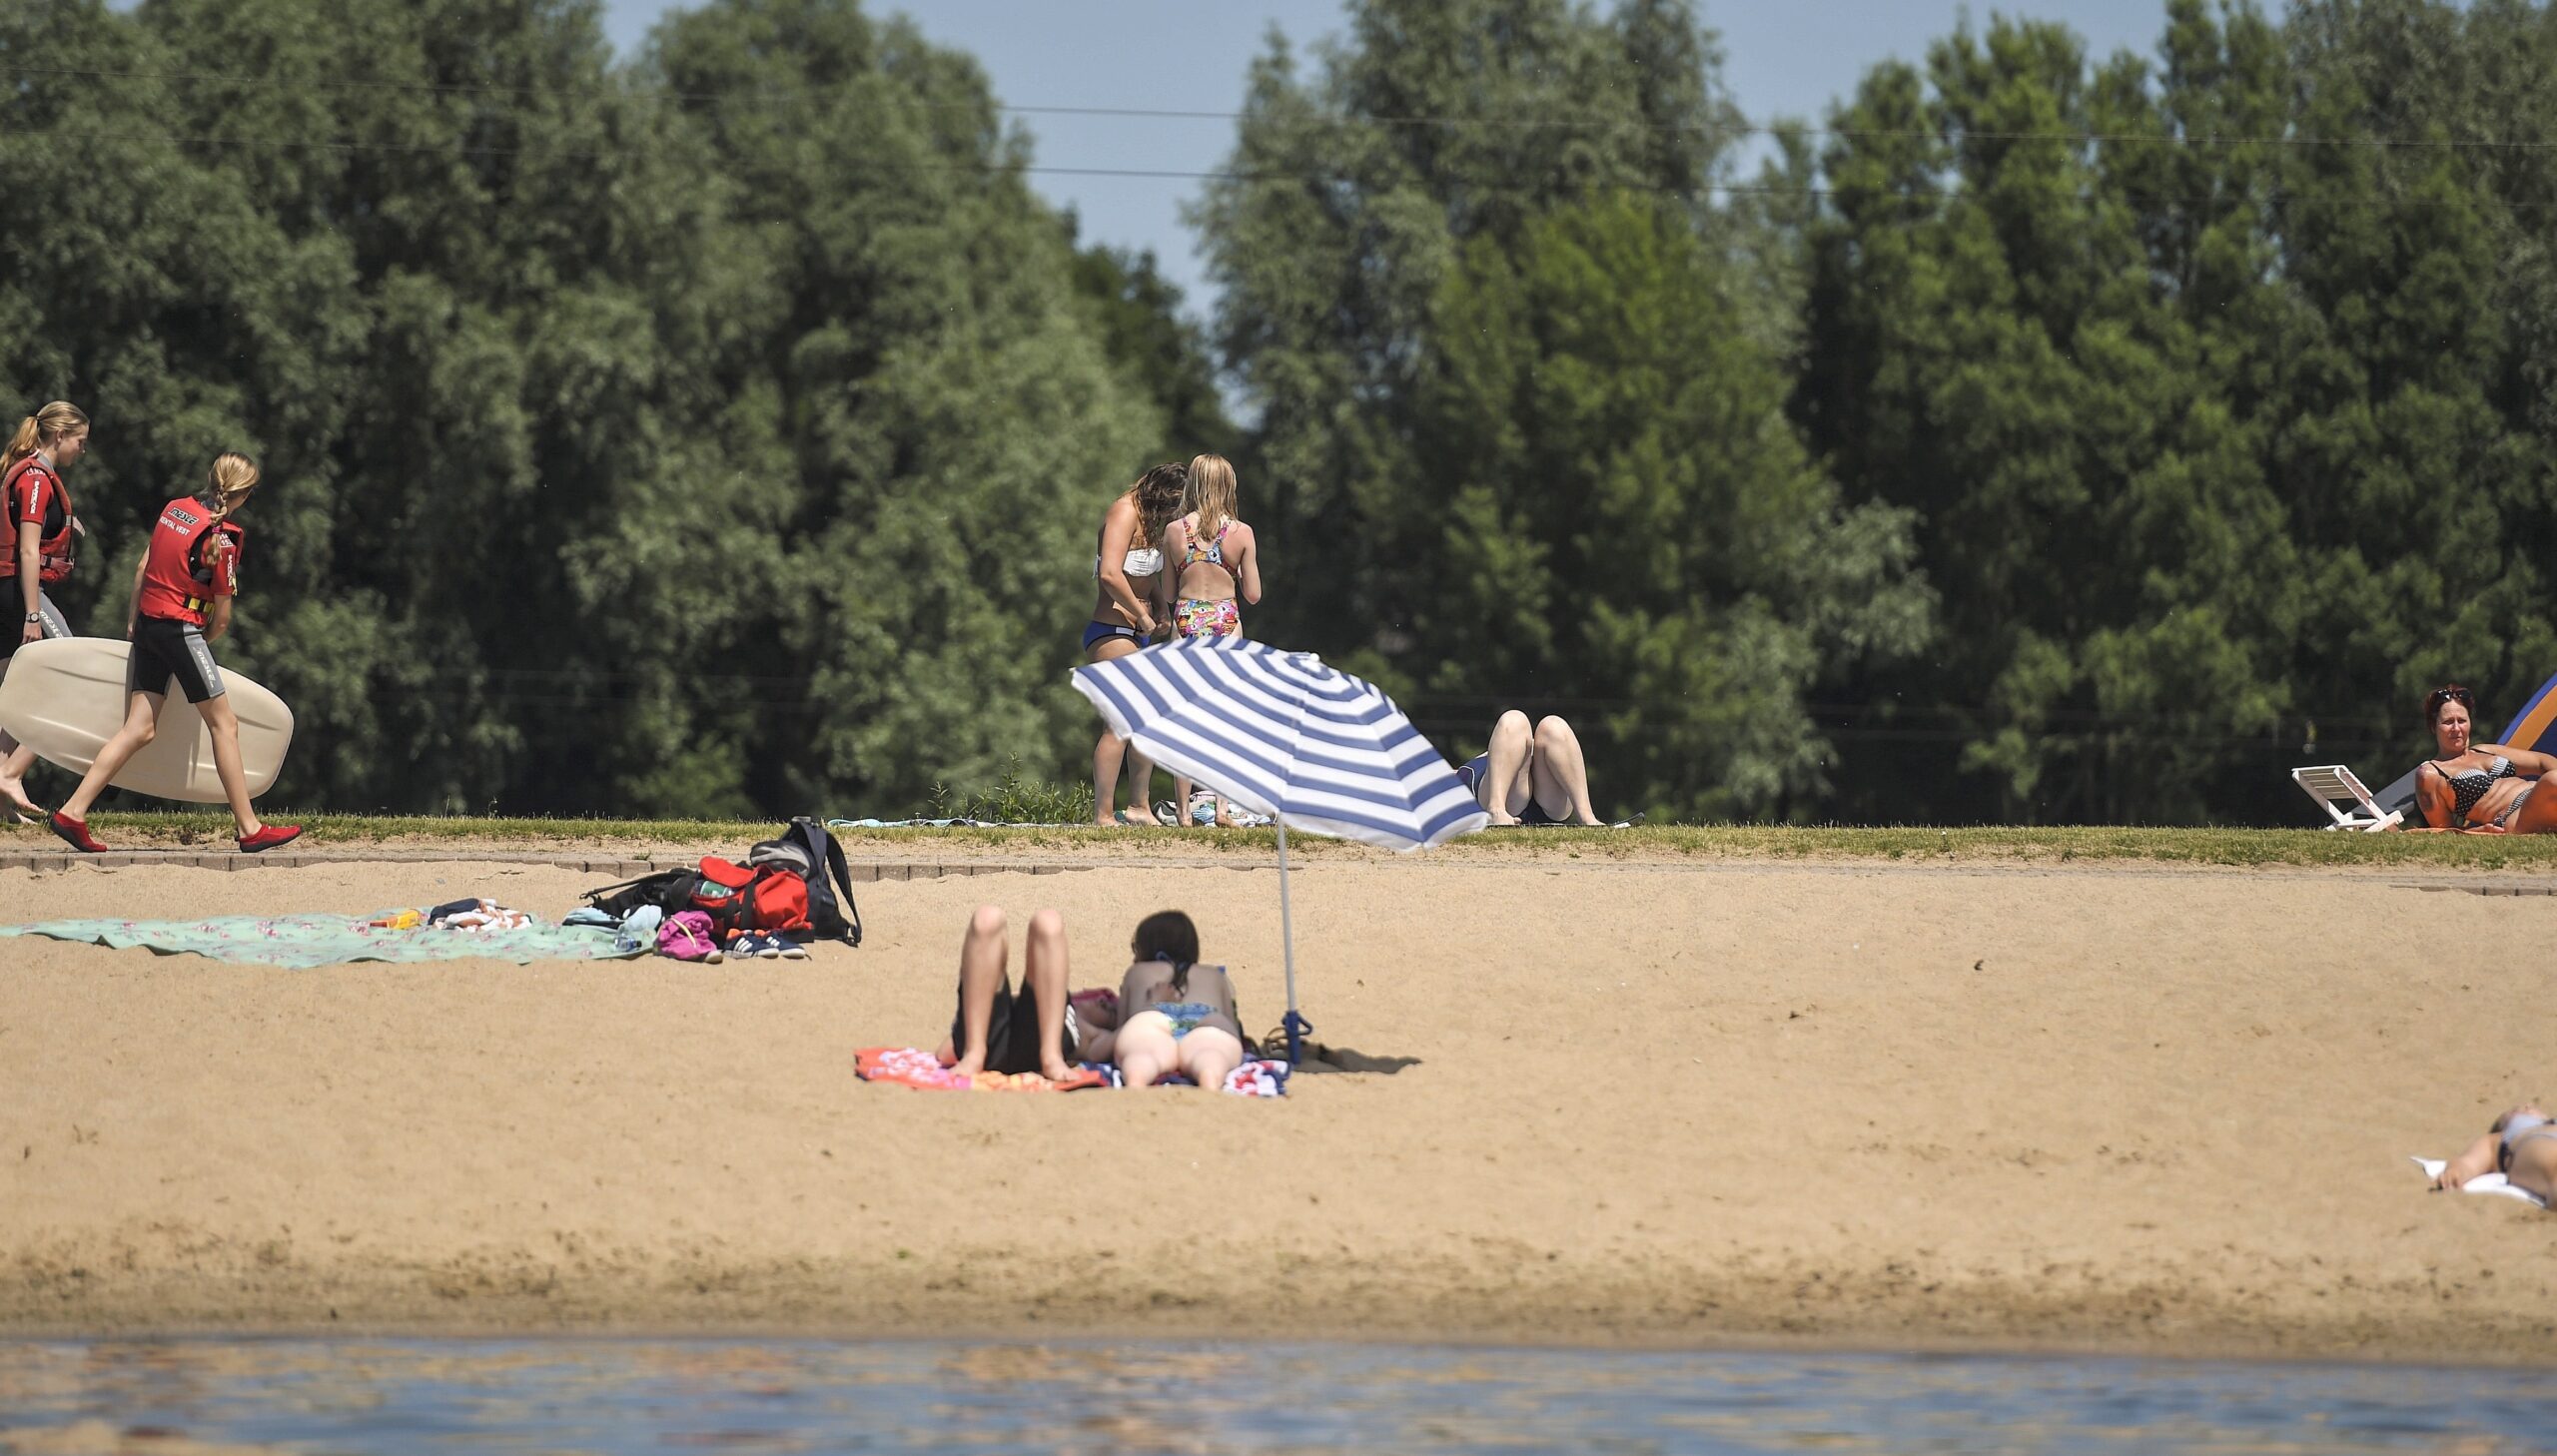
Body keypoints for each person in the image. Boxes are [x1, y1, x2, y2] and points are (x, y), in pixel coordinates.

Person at [48, 452, 300, 855]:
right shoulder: (226, 538)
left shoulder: (174, 509)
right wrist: (193, 653)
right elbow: (220, 621)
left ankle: (72, 812)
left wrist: (134, 622)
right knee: (225, 724)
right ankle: (249, 828)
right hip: (180, 630)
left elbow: (142, 565)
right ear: (246, 495)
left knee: (140, 728)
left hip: (148, 622)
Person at [1154, 453, 1261, 826]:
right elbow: (1253, 595)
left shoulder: (1173, 531)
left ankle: (1183, 812)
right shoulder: (1241, 533)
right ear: (1228, 485)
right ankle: (1222, 809)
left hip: (1185, 619)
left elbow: (1168, 591)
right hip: (1226, 621)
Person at [0, 401, 90, 820]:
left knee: (10, 697)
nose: (81, 451)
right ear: (59, 437)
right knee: (69, 673)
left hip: (8, 591)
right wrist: (33, 615)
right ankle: (10, 773)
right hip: (18, 593)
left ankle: (1, 800)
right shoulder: (36, 478)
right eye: (80, 442)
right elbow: (28, 548)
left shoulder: (28, 472)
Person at [1088, 462, 1187, 827]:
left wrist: (1161, 609)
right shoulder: (1124, 511)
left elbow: (1146, 575)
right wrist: (1140, 614)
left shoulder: (1149, 519)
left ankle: (1139, 806)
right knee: (1120, 722)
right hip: (1111, 630)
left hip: (1138, 633)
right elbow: (1110, 573)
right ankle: (1102, 813)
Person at [937, 905, 1084, 1083]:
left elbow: (944, 1054)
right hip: (1002, 1040)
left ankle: (1051, 1056)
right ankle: (974, 1052)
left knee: (1049, 921)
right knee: (987, 918)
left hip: (1038, 1042)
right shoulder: (1098, 1003)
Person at [1107, 909, 1248, 1090]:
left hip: (1152, 1016)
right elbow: (1231, 1024)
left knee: (1142, 1054)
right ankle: (1209, 1076)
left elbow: (1123, 1024)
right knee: (1212, 1054)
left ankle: (1137, 1080)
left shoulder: (1136, 972)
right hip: (1207, 1018)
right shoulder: (1213, 974)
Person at [2408, 684, 2557, 834]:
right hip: (2515, 817)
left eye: (2462, 721)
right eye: (2448, 722)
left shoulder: (2485, 750)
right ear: (2433, 726)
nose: (2456, 728)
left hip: (2539, 797)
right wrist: (2478, 831)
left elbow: (2542, 762)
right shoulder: (2431, 774)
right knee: (2553, 780)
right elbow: (2444, 830)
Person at [1452, 710, 1604, 826]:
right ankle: (1496, 808)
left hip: (1547, 803)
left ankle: (1586, 815)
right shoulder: (1471, 770)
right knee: (1515, 719)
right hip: (1507, 799)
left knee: (1553, 725)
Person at [2433, 1103, 2557, 1205]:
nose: (2526, 1107)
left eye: (2531, 1107)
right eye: (2514, 1110)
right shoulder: (2497, 1140)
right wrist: (2455, 1172)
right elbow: (2468, 1163)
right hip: (2537, 1142)